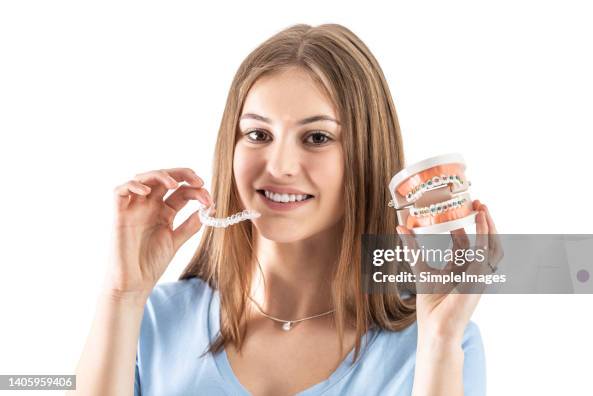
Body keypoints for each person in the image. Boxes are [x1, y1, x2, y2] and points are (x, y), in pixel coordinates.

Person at [70, 23, 500, 396]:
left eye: (316, 138)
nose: (278, 167)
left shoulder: (438, 340)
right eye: (257, 134)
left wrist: (440, 342)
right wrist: (121, 294)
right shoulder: (151, 322)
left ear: (367, 156)